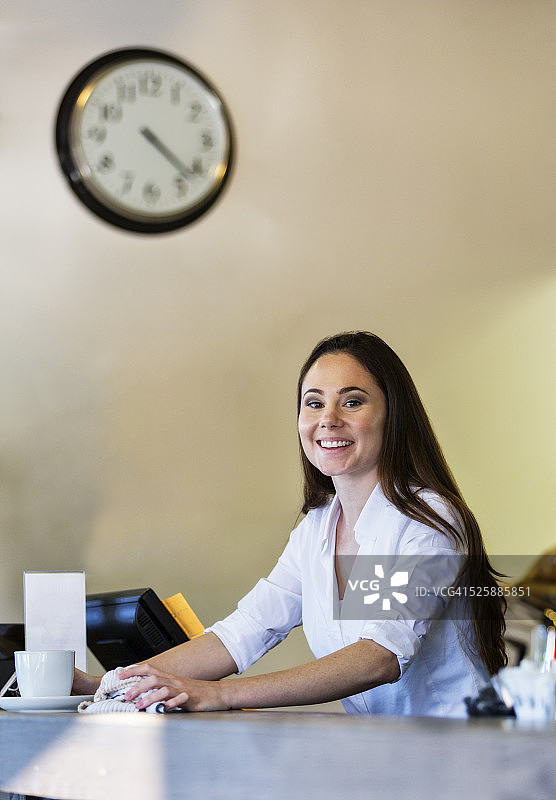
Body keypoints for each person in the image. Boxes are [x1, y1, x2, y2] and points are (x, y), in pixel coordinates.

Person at [74, 331, 506, 716]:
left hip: (460, 755)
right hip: (384, 753)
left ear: (393, 415)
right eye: (314, 402)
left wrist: (218, 694)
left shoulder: (426, 520)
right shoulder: (316, 530)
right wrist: (106, 684)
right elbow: (242, 633)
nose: (328, 419)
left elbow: (381, 655)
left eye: (352, 401)